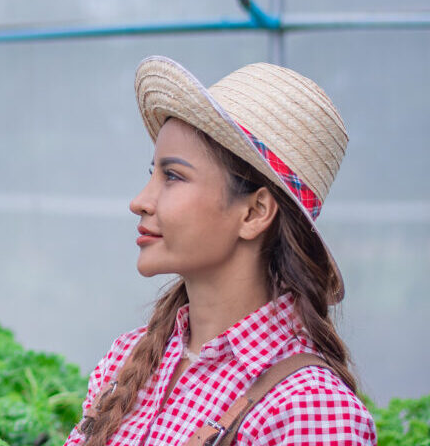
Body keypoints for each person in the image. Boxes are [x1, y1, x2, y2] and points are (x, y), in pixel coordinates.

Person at [64, 56, 377, 446]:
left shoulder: (310, 411)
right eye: (153, 174)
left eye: (173, 176)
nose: (140, 201)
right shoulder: (128, 359)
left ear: (254, 212)